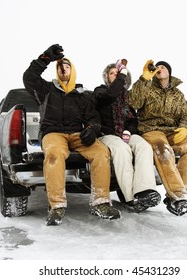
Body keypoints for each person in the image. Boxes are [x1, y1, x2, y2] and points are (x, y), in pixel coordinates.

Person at [23, 43, 121, 225]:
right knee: (54, 155)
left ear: (72, 71)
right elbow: (29, 78)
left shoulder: (83, 95)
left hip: (77, 134)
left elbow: (93, 117)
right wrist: (44, 58)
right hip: (53, 133)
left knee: (101, 152)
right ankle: (56, 206)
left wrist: (92, 129)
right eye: (60, 67)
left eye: (66, 67)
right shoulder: (46, 91)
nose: (63, 70)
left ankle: (100, 202)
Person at [128, 59, 187, 216]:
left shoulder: (177, 94)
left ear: (169, 72)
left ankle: (175, 197)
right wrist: (144, 79)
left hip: (173, 131)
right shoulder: (146, 86)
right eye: (157, 67)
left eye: (163, 67)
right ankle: (178, 196)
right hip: (151, 129)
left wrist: (185, 127)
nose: (159, 68)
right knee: (163, 149)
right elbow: (132, 102)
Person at [92, 59, 161, 212]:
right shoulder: (100, 91)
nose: (116, 76)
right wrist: (122, 75)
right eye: (112, 73)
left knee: (143, 146)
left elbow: (133, 119)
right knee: (122, 150)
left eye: (118, 73)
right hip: (107, 134)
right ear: (106, 77)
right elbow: (111, 95)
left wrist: (128, 131)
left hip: (125, 133)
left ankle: (144, 191)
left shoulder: (127, 97)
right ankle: (131, 197)